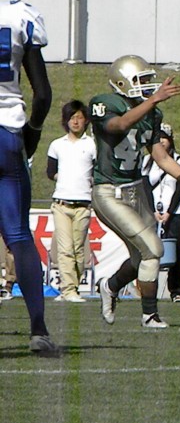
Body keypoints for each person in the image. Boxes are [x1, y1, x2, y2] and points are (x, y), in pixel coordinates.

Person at [92, 55, 180, 329]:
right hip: (109, 191)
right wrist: (154, 100)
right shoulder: (104, 103)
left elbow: (162, 158)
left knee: (141, 257)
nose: (148, 85)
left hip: (136, 191)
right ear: (122, 83)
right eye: (142, 80)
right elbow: (119, 125)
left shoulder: (152, 114)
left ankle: (110, 286)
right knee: (153, 250)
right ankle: (149, 315)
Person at [0, 0, 58, 355]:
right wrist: (33, 133)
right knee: (19, 235)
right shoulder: (20, 15)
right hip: (7, 132)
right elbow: (43, 94)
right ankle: (38, 329)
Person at [46, 100, 96, 303]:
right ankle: (67, 290)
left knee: (78, 250)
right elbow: (50, 172)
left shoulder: (92, 144)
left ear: (86, 120)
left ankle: (73, 287)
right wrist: (65, 179)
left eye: (79, 118)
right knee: (65, 249)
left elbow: (98, 172)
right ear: (65, 120)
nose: (75, 122)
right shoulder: (57, 145)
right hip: (61, 204)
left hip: (83, 204)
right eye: (72, 118)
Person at [142, 123, 180, 302]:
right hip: (152, 213)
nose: (161, 141)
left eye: (165, 138)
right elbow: (145, 187)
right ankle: (147, 289)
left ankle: (177, 290)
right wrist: (152, 210)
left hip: (175, 212)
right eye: (158, 138)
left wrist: (169, 211)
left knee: (177, 251)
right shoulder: (147, 161)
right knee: (149, 251)